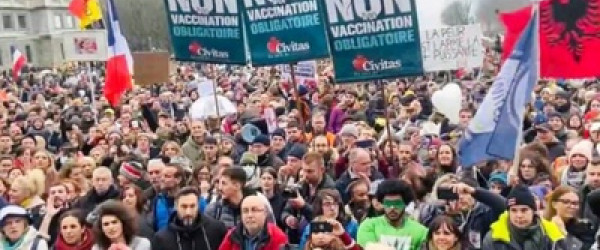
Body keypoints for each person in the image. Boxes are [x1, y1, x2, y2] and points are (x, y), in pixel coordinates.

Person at [482, 184, 581, 250]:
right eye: (514, 210)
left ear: (534, 211)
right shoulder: (494, 238)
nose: (519, 215)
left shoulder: (551, 234)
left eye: (524, 210)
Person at [357, 179, 428, 250]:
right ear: (382, 203)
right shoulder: (369, 226)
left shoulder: (421, 231)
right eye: (388, 203)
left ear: (405, 203)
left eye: (397, 203)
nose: (392, 208)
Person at [152, 187, 228, 250]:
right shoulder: (162, 238)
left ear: (198, 206)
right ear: (176, 207)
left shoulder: (217, 229)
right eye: (184, 206)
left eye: (192, 206)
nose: (188, 212)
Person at [218, 195, 288, 250]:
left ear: (265, 213)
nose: (250, 215)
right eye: (245, 211)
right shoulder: (232, 235)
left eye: (254, 210)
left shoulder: (277, 236)